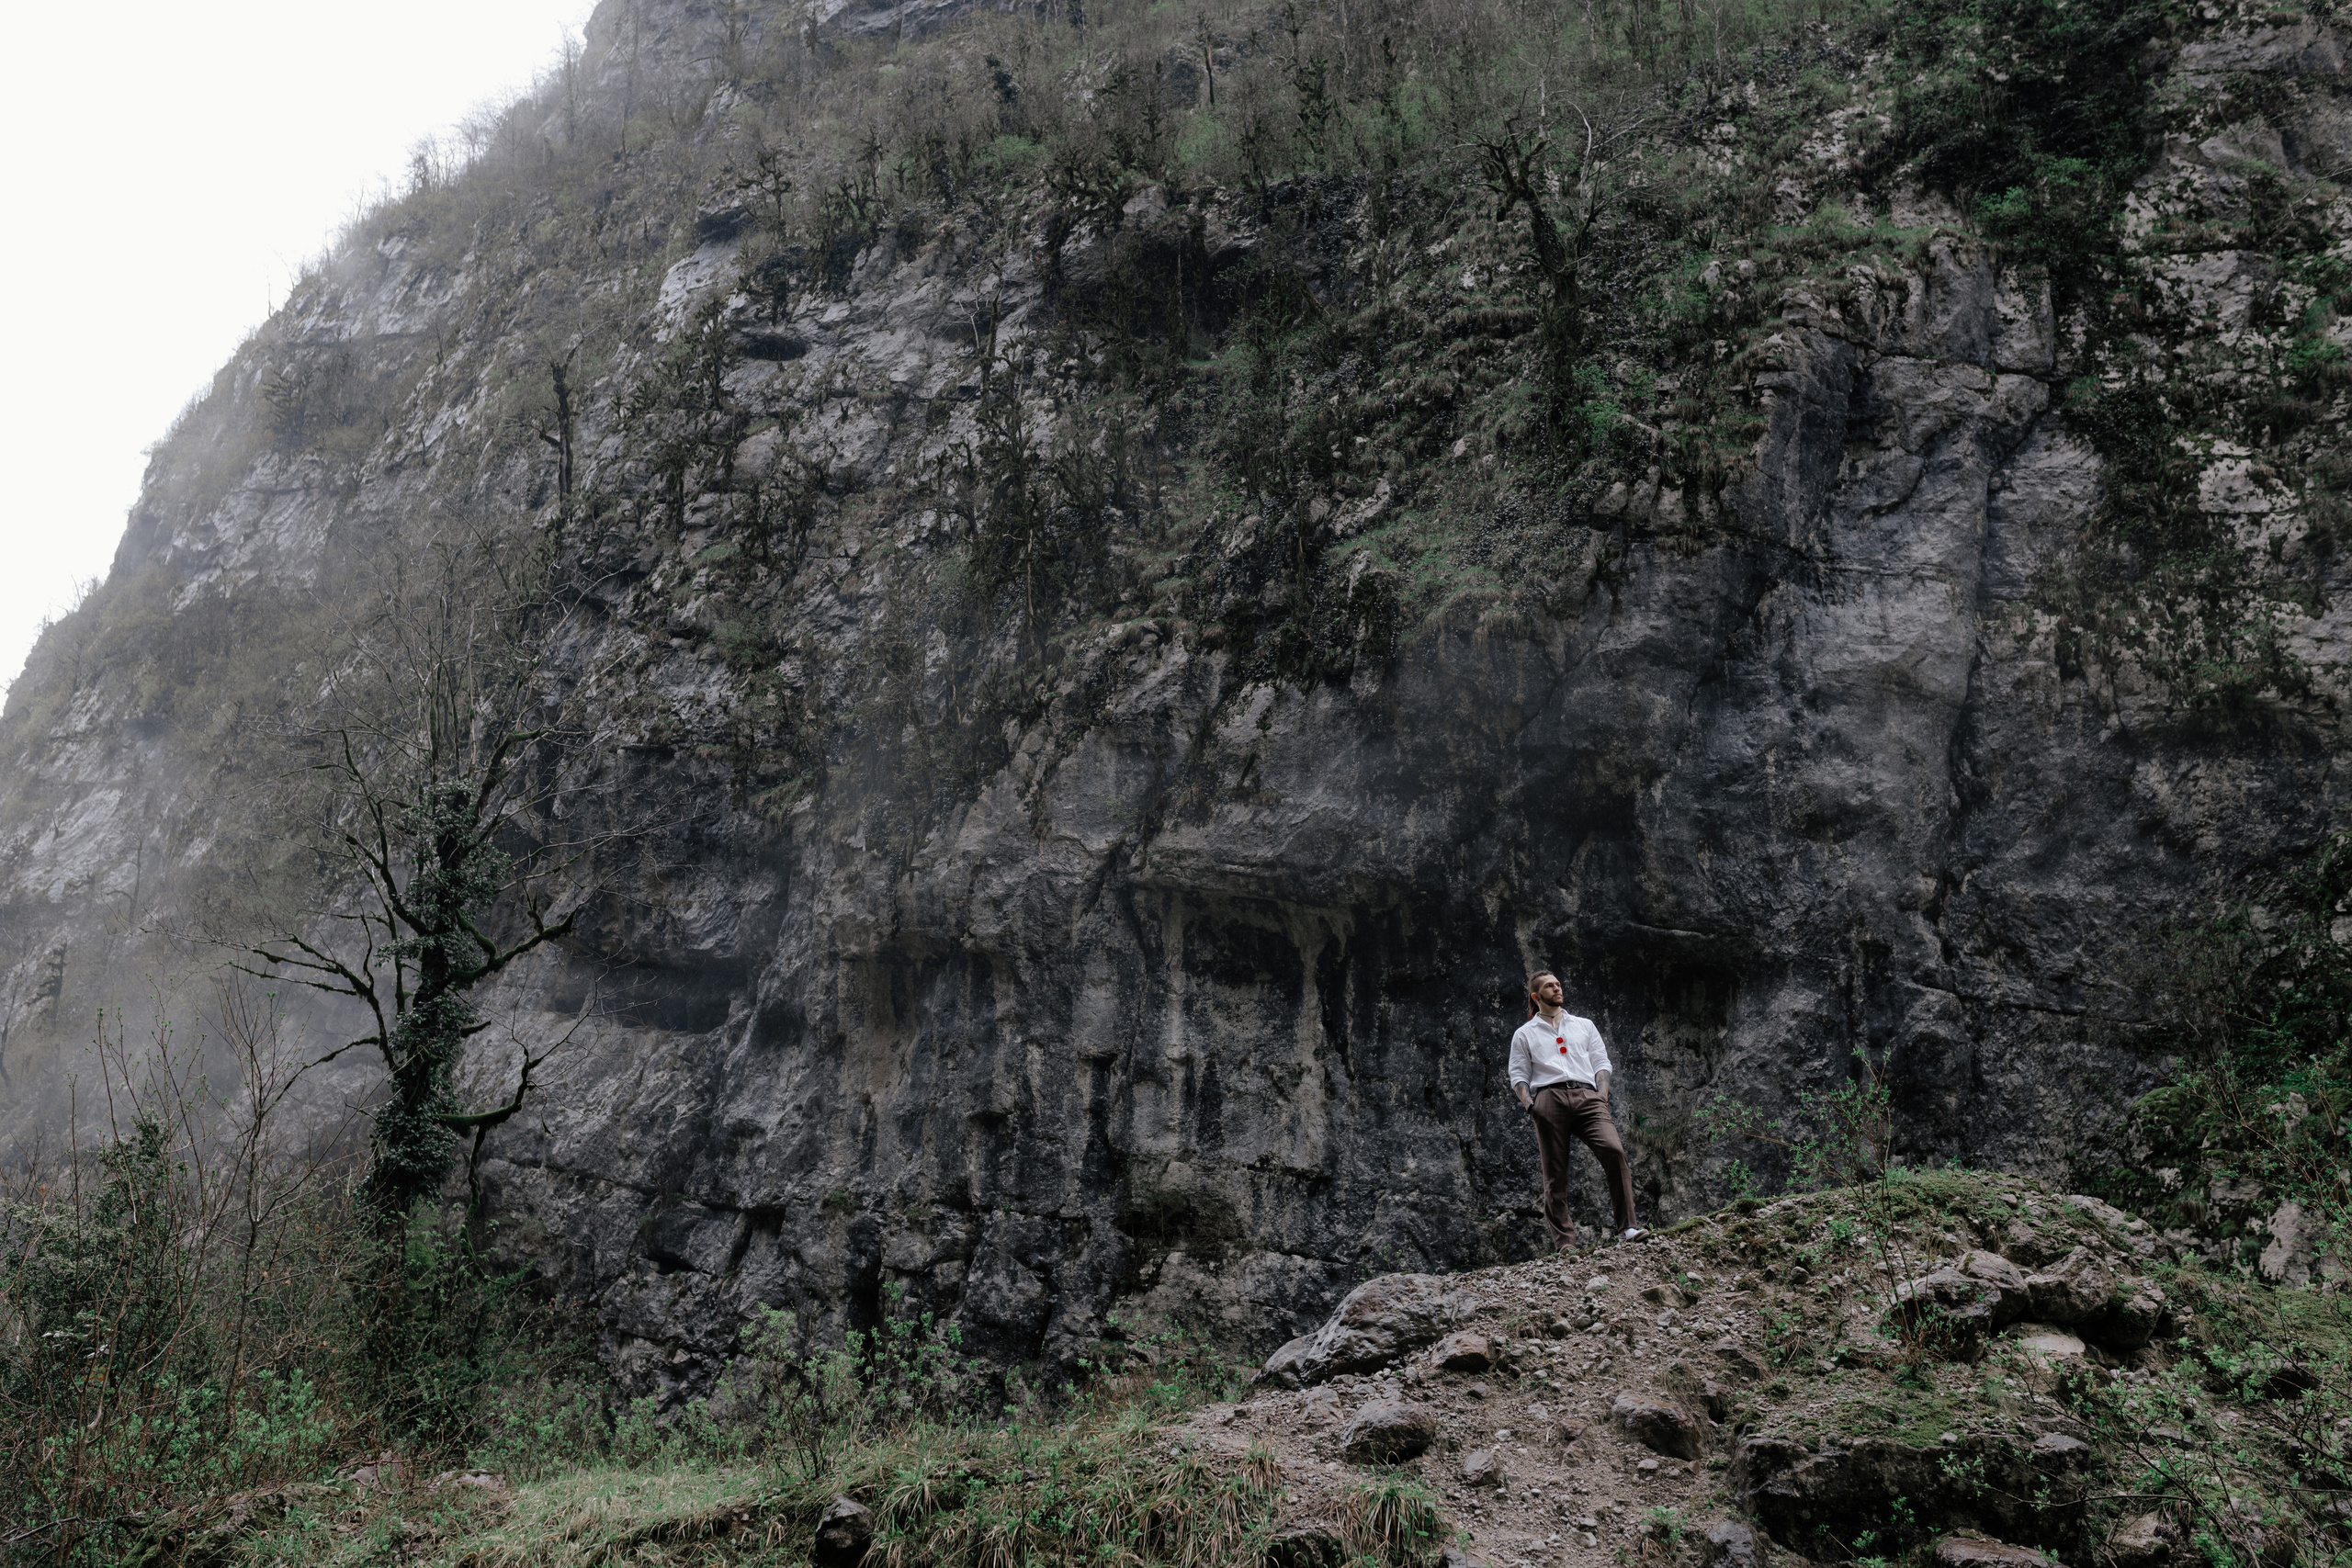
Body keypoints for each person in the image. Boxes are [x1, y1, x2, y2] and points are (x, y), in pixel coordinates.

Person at [1510, 969, 1643, 1249]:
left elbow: (1601, 1061)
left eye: (1558, 984)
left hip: (1588, 1097)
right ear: (1536, 996)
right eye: (1550, 986)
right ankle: (1566, 1245)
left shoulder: (1584, 1025)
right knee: (1555, 1174)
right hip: (1549, 1099)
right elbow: (1518, 1075)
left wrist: (1601, 1095)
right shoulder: (1524, 1034)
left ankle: (1628, 1228)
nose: (1557, 988)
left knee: (1614, 1151)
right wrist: (1532, 1106)